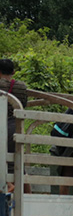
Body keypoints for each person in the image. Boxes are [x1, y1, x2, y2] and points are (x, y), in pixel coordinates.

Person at [2, 58, 28, 193]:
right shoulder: (21, 87)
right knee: (17, 163)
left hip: (2, 125)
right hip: (15, 126)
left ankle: (8, 185)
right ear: (13, 72)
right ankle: (28, 198)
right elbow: (24, 105)